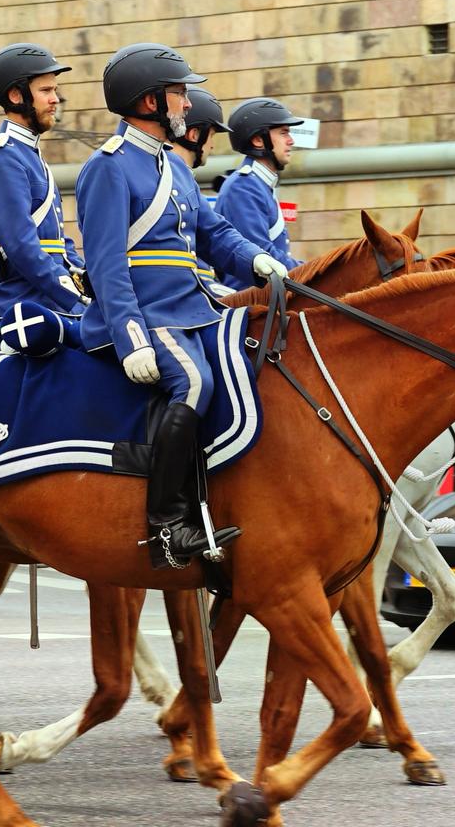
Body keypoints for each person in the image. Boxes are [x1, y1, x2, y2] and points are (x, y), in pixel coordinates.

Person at [75, 42, 288, 567]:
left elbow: (215, 234)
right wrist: (131, 339)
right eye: (178, 94)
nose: (188, 105)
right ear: (149, 102)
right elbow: (106, 264)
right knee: (195, 383)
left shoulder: (172, 167)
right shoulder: (109, 167)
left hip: (190, 308)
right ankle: (168, 525)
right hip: (148, 316)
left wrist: (258, 261)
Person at [0, 42, 89, 327]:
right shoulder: (4, 158)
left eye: (55, 90)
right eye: (46, 91)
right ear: (16, 95)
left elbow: (59, 244)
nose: (55, 99)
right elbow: (21, 246)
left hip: (49, 298)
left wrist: (89, 282)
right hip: (23, 304)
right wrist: (72, 293)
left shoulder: (27, 154)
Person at [212, 97, 303, 290]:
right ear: (258, 140)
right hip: (252, 300)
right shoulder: (244, 187)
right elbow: (262, 253)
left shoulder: (259, 184)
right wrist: (316, 270)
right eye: (283, 133)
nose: (291, 140)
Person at [168, 87, 237, 298]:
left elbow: (215, 233)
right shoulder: (167, 177)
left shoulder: (186, 181)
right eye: (212, 136)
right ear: (195, 135)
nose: (212, 146)